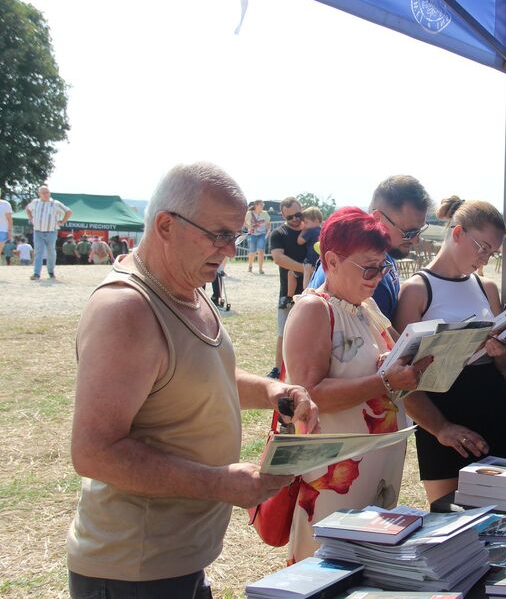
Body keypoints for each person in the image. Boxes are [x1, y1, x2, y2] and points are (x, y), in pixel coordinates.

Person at [67, 162, 319, 599]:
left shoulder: (187, 284)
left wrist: (273, 391)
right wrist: (219, 483)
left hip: (173, 562)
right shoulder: (127, 309)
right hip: (132, 570)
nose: (229, 249)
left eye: (235, 236)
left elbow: (201, 374)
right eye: (219, 234)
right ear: (165, 225)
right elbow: (94, 452)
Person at [282, 206, 431, 562]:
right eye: (369, 267)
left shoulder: (366, 307)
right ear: (331, 262)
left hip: (373, 469)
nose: (378, 276)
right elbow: (309, 396)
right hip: (335, 473)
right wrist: (383, 379)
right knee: (328, 567)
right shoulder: (315, 310)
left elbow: (393, 364)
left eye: (383, 267)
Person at [394, 197, 506, 504]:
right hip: (442, 412)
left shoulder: (486, 287)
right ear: (458, 233)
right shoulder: (417, 289)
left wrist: (500, 352)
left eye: (492, 253)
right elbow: (399, 379)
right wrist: (441, 428)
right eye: (483, 248)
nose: (485, 259)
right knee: (449, 516)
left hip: (493, 407)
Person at [308, 175, 431, 320]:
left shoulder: (384, 255)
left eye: (419, 231)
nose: (416, 240)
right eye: (409, 232)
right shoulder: (352, 271)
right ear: (378, 218)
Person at [269, 197, 308, 379]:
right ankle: (278, 369)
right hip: (288, 294)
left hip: (312, 291)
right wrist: (305, 269)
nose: (294, 219)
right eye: (289, 217)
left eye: (298, 215)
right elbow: (278, 258)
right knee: (283, 332)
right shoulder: (279, 234)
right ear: (283, 216)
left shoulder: (312, 231)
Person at [26, 185, 72, 280]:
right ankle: (36, 273)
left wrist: (63, 221)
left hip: (51, 231)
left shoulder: (55, 203)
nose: (46, 194)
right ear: (39, 194)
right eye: (43, 193)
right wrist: (31, 219)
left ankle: (51, 271)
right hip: (38, 231)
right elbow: (27, 209)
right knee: (38, 252)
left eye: (47, 192)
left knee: (51, 251)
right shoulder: (35, 202)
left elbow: (68, 211)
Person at [297, 206, 323, 292]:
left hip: (310, 260)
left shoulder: (311, 231)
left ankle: (302, 293)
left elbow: (300, 241)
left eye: (306, 222)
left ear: (316, 221)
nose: (305, 224)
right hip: (320, 260)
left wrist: (303, 230)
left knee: (293, 274)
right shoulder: (323, 230)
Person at [245, 199, 271, 274]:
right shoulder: (249, 213)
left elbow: (268, 223)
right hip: (252, 234)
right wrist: (250, 227)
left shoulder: (265, 214)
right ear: (256, 205)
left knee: (261, 250)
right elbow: (244, 223)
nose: (262, 206)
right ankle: (250, 266)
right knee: (252, 251)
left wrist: (268, 230)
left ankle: (260, 269)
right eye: (261, 205)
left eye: (263, 205)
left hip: (262, 234)